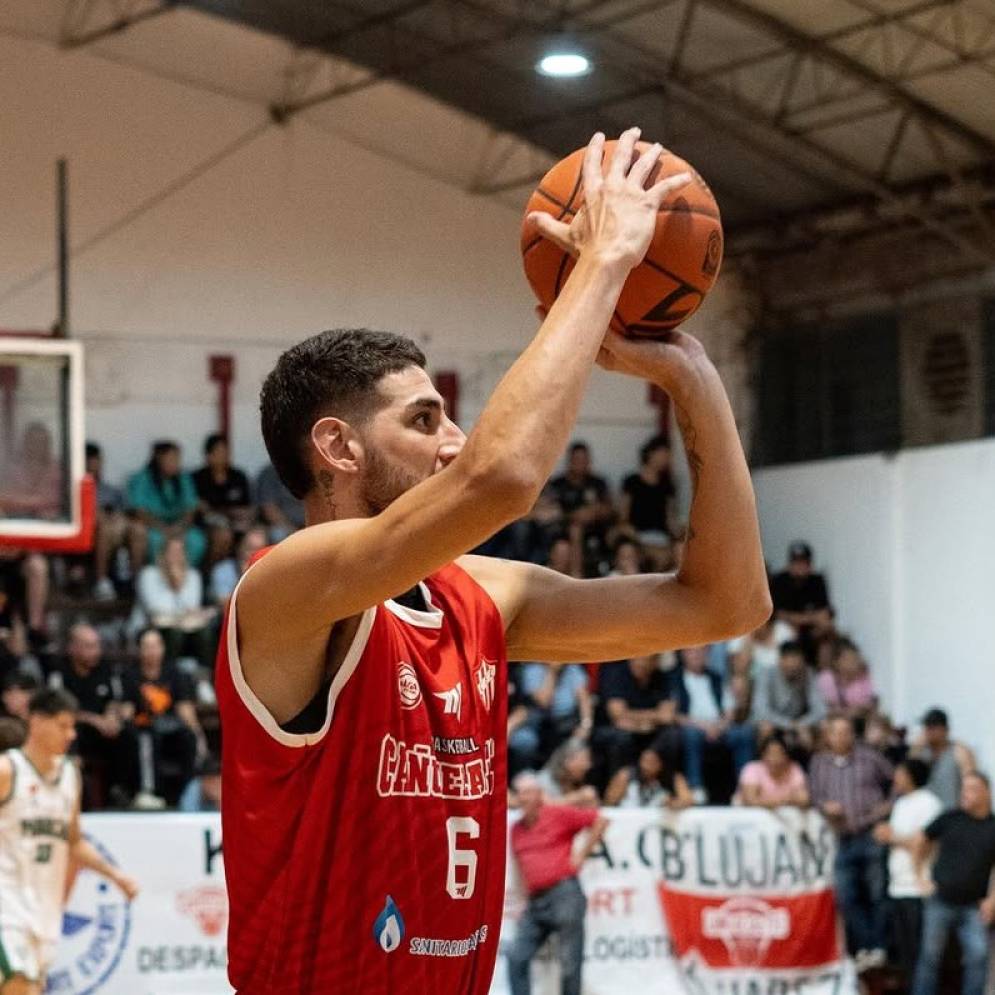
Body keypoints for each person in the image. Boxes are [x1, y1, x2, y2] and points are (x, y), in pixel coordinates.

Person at [216, 128, 769, 994]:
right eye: (425, 419)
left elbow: (725, 604)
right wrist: (603, 262)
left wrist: (694, 384)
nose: (454, 440)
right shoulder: (288, 587)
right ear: (337, 446)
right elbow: (502, 476)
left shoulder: (482, 596)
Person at [0, 688, 139, 993]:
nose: (71, 734)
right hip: (7, 905)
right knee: (18, 986)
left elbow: (74, 843)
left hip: (43, 908)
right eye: (63, 725)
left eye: (72, 726)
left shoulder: (69, 777)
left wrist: (116, 876)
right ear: (36, 722)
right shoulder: (8, 770)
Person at [506, 772, 609, 995]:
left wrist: (582, 854)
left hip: (564, 894)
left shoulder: (557, 814)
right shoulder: (516, 829)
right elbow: (522, 868)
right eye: (520, 793)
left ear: (539, 795)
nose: (523, 798)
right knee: (516, 957)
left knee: (570, 963)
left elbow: (599, 819)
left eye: (528, 793)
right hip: (535, 901)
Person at [809, 715, 894, 971]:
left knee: (878, 893)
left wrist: (886, 810)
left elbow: (897, 782)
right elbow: (813, 796)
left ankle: (879, 947)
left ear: (852, 735)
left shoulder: (870, 758)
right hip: (841, 837)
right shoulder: (819, 763)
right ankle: (865, 947)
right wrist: (825, 807)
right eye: (836, 732)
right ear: (828, 736)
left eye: (846, 732)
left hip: (870, 833)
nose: (841, 737)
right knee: (846, 897)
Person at [910, 771, 995, 995]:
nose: (965, 794)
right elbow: (920, 839)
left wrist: (992, 900)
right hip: (940, 900)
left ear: (986, 792)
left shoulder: (992, 827)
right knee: (930, 957)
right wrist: (920, 876)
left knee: (979, 956)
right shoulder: (951, 817)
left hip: (973, 906)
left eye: (972, 789)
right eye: (964, 788)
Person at [47, 624, 135, 809]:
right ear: (73, 648)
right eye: (88, 646)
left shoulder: (107, 669)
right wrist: (94, 720)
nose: (95, 651)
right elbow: (56, 710)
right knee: (70, 732)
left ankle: (120, 790)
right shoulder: (59, 673)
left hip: (103, 733)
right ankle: (70, 790)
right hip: (77, 731)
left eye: (97, 645)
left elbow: (116, 699)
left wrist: (112, 717)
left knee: (128, 732)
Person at [872, 758, 942, 983]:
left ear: (911, 775)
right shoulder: (901, 803)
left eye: (900, 773)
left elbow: (925, 842)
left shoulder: (929, 803)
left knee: (921, 950)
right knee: (904, 951)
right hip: (897, 884)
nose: (895, 778)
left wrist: (892, 837)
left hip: (917, 887)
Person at [119, 627, 206, 808]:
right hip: (143, 728)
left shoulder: (174, 672)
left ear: (163, 648)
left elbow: (184, 707)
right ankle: (149, 792)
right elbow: (126, 708)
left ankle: (188, 791)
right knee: (145, 737)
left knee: (188, 737)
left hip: (170, 726)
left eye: (156, 645)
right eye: (147, 646)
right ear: (139, 650)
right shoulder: (130, 675)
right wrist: (122, 716)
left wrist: (197, 734)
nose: (152, 651)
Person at [674, 645, 755, 802]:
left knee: (744, 732)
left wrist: (719, 726)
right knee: (691, 735)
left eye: (701, 651)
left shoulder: (715, 678)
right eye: (693, 651)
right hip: (692, 727)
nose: (697, 655)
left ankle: (744, 788)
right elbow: (674, 715)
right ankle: (695, 787)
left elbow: (729, 711)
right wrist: (703, 727)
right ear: (683, 653)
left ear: (707, 653)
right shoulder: (675, 678)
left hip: (719, 727)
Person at [595, 654, 683, 790]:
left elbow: (667, 716)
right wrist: (653, 716)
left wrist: (636, 719)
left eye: (647, 660)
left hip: (648, 730)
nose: (641, 663)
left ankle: (666, 788)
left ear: (656, 662)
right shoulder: (616, 673)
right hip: (613, 729)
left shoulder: (661, 677)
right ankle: (618, 788)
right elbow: (617, 715)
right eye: (638, 659)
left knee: (672, 734)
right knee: (621, 737)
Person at [135, 536, 217, 669]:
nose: (175, 557)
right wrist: (175, 584)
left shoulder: (193, 575)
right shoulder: (149, 574)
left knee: (205, 633)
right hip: (151, 626)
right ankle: (169, 673)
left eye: (179, 552)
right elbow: (154, 608)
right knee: (175, 634)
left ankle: (206, 674)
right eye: (171, 552)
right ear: (162, 555)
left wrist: (178, 584)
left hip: (184, 626)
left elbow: (192, 607)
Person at [126, 440, 206, 566]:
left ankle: (184, 577)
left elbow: (191, 509)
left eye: (177, 459)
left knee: (196, 540)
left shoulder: (183, 477)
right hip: (153, 526)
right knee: (154, 540)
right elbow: (139, 511)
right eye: (171, 458)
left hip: (180, 526)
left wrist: (178, 528)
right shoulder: (142, 478)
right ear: (159, 458)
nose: (176, 463)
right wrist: (164, 529)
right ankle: (156, 578)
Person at [548, 442, 614, 576]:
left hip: (596, 528)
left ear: (589, 461)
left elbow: (609, 509)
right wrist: (574, 515)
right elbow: (550, 512)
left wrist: (594, 511)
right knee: (575, 529)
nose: (580, 463)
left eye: (584, 459)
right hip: (563, 530)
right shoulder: (558, 484)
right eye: (577, 459)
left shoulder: (598, 483)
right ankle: (576, 575)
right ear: (569, 461)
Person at [85, 441, 141, 600]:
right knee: (104, 526)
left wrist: (117, 517)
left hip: (118, 530)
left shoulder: (111, 490)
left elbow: (129, 512)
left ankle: (135, 581)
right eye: (91, 461)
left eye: (98, 461)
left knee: (137, 530)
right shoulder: (76, 489)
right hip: (93, 533)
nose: (96, 465)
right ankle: (102, 582)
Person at [752, 640, 826, 756]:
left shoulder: (808, 673)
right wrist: (791, 725)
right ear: (780, 661)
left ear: (802, 663)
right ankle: (762, 769)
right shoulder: (767, 674)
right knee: (765, 728)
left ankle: (816, 768)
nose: (792, 671)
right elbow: (761, 710)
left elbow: (820, 710)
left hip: (800, 723)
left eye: (796, 668)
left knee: (823, 725)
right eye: (788, 667)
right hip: (775, 722)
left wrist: (802, 724)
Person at [193, 433, 254, 568]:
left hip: (237, 522)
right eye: (218, 452)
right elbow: (201, 508)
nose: (223, 455)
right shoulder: (198, 478)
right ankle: (211, 573)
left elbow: (248, 507)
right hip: (208, 524)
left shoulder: (238, 476)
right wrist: (226, 513)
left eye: (225, 451)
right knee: (223, 534)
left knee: (255, 534)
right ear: (208, 455)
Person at [618, 434, 676, 569]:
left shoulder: (667, 485)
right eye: (663, 454)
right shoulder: (631, 482)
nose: (666, 459)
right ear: (651, 453)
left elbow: (670, 517)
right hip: (637, 535)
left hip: (661, 537)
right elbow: (623, 515)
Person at [770, 542, 833, 661]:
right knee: (784, 630)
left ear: (810, 564)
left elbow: (825, 613)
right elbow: (778, 614)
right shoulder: (780, 581)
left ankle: (824, 674)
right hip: (788, 630)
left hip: (811, 631)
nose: (800, 566)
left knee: (827, 628)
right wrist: (809, 618)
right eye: (796, 562)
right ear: (790, 564)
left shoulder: (817, 581)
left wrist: (797, 618)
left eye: (803, 562)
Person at [913, 708, 976, 811]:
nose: (927, 732)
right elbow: (906, 779)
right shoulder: (921, 752)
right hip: (924, 816)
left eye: (932, 727)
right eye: (926, 727)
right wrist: (915, 749)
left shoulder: (959, 752)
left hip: (951, 814)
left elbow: (971, 786)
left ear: (945, 730)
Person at [604, 745, 694, 809]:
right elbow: (609, 802)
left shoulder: (673, 778)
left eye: (651, 762)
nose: (645, 766)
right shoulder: (626, 775)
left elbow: (688, 800)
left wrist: (673, 804)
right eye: (643, 761)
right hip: (628, 819)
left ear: (661, 764)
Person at [737, 732, 809, 808]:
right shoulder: (752, 769)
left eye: (779, 753)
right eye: (770, 753)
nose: (774, 759)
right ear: (762, 755)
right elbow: (750, 801)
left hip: (784, 815)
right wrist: (785, 800)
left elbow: (803, 799)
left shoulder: (794, 769)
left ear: (787, 756)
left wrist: (766, 801)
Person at [816, 637, 877, 719]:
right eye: (847, 659)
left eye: (854, 659)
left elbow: (868, 704)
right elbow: (829, 709)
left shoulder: (863, 676)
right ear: (836, 662)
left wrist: (858, 710)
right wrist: (854, 710)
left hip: (860, 719)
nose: (852, 663)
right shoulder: (826, 678)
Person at [209, 527, 268, 607]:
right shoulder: (223, 569)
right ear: (239, 547)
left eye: (259, 550)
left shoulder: (270, 571)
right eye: (249, 548)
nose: (254, 554)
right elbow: (223, 602)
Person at [537, 738, 599, 807]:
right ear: (568, 761)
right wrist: (579, 796)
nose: (588, 765)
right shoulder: (544, 779)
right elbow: (547, 806)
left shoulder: (578, 780)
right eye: (584, 760)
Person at [255, 461, 305, 543]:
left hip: (310, 524)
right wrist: (292, 530)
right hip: (283, 525)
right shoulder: (269, 473)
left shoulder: (311, 470)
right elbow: (269, 509)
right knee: (277, 534)